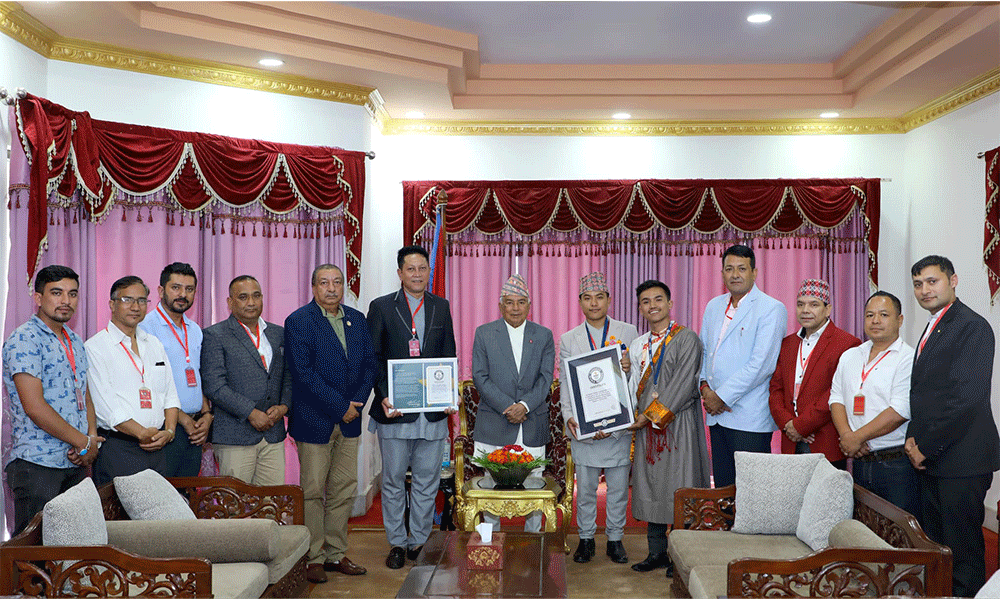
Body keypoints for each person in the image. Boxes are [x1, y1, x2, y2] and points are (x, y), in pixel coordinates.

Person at [905, 255, 999, 597]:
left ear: (953, 280)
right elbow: (925, 394)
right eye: (918, 284)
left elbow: (967, 400)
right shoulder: (935, 324)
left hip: (962, 459)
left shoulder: (972, 326)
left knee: (963, 549)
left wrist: (923, 447)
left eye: (933, 281)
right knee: (938, 543)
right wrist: (913, 439)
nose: (925, 290)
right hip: (935, 458)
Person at [368, 246, 457, 569]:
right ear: (400, 273)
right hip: (395, 412)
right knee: (392, 481)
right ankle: (396, 542)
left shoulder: (440, 307)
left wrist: (448, 394)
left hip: (431, 413)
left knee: (426, 480)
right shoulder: (381, 307)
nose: (417, 274)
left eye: (422, 268)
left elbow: (449, 354)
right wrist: (383, 395)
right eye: (411, 269)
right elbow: (373, 359)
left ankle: (418, 540)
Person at [286, 264, 375, 582]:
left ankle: (336, 554)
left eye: (337, 282)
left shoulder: (357, 319)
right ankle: (314, 556)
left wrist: (356, 405)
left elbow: (369, 365)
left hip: (350, 420)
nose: (332, 288)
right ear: (313, 287)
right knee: (312, 491)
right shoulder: (299, 321)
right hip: (314, 421)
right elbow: (303, 373)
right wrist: (340, 407)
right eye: (324, 283)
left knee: (342, 489)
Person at [3, 265, 102, 536]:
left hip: (75, 462)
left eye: (72, 294)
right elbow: (34, 407)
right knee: (33, 559)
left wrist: (91, 439)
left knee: (72, 550)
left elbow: (86, 395)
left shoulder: (74, 340)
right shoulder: (24, 339)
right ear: (38, 298)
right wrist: (81, 441)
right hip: (38, 465)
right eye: (56, 293)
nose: (65, 301)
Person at [627, 280, 709, 575]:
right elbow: (632, 386)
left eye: (658, 299)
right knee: (651, 487)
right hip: (647, 428)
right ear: (640, 309)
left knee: (679, 487)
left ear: (670, 303)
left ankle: (680, 557)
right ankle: (656, 553)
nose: (653, 306)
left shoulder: (687, 339)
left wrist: (650, 416)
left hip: (678, 425)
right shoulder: (639, 344)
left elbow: (685, 383)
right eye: (646, 301)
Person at [558, 272, 638, 564]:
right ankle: (586, 539)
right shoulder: (569, 339)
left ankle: (615, 539)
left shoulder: (628, 332)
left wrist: (629, 368)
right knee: (587, 489)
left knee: (618, 488)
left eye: (599, 297)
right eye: (588, 298)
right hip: (585, 426)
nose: (594, 303)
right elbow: (566, 383)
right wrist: (570, 417)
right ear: (580, 302)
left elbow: (639, 378)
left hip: (618, 426)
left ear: (609, 299)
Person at [471, 274, 555, 533]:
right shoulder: (484, 333)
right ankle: (491, 540)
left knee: (535, 484)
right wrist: (508, 406)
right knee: (490, 484)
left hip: (532, 421)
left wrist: (525, 406)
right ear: (500, 305)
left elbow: (546, 378)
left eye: (521, 302)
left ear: (529, 305)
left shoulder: (543, 335)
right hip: (495, 421)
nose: (515, 308)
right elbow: (480, 376)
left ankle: (533, 540)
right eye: (509, 302)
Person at [698, 244, 786, 488]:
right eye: (729, 269)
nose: (734, 274)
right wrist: (704, 388)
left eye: (741, 268)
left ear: (754, 272)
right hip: (717, 417)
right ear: (722, 273)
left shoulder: (771, 308)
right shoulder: (713, 306)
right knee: (725, 487)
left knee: (752, 491)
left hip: (749, 417)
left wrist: (721, 397)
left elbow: (761, 365)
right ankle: (727, 528)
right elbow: (704, 351)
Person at [829, 291, 917, 517]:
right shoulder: (850, 355)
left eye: (883, 314)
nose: (875, 320)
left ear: (899, 320)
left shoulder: (908, 358)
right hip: (859, 459)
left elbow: (900, 410)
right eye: (870, 315)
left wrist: (856, 438)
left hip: (893, 464)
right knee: (863, 528)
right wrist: (848, 436)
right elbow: (836, 399)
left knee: (897, 533)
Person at [86, 276, 180, 486]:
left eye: (142, 300)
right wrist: (142, 434)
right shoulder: (96, 347)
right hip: (119, 449)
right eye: (127, 300)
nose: (135, 307)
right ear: (112, 304)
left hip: (158, 448)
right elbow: (105, 406)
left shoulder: (154, 343)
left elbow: (170, 394)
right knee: (120, 517)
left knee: (157, 517)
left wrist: (170, 431)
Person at [202, 275, 291, 486]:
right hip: (235, 437)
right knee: (236, 509)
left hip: (273, 435)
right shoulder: (215, 335)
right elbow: (214, 385)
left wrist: (284, 407)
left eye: (256, 296)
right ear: (230, 302)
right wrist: (251, 413)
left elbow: (288, 376)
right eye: (243, 297)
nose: (251, 302)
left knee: (271, 506)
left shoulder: (278, 333)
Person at [769, 279, 860, 469]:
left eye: (814, 304)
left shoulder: (847, 344)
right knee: (792, 498)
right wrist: (788, 424)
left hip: (825, 443)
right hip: (791, 443)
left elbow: (836, 393)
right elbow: (776, 389)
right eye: (800, 304)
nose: (805, 310)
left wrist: (801, 426)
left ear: (828, 309)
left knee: (827, 499)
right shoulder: (788, 344)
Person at [139, 262, 212, 477]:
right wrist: (182, 419)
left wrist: (206, 415)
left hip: (195, 427)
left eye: (189, 289)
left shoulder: (195, 330)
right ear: (161, 290)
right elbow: (148, 382)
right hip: (165, 426)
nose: (183, 294)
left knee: (187, 496)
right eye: (176, 288)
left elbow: (197, 375)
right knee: (163, 497)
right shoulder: (145, 327)